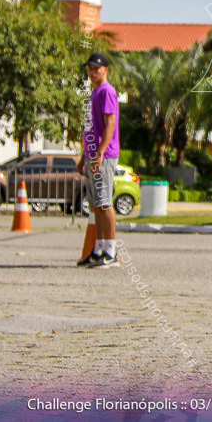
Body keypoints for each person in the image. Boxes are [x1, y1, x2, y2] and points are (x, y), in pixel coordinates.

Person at [76, 52, 120, 268]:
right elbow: (91, 128)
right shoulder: (94, 94)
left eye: (96, 68)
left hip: (105, 154)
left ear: (106, 70)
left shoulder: (107, 92)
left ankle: (110, 250)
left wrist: (101, 152)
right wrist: (84, 156)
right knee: (96, 204)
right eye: (90, 69)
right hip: (93, 154)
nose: (92, 72)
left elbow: (110, 124)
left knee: (104, 203)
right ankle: (100, 248)